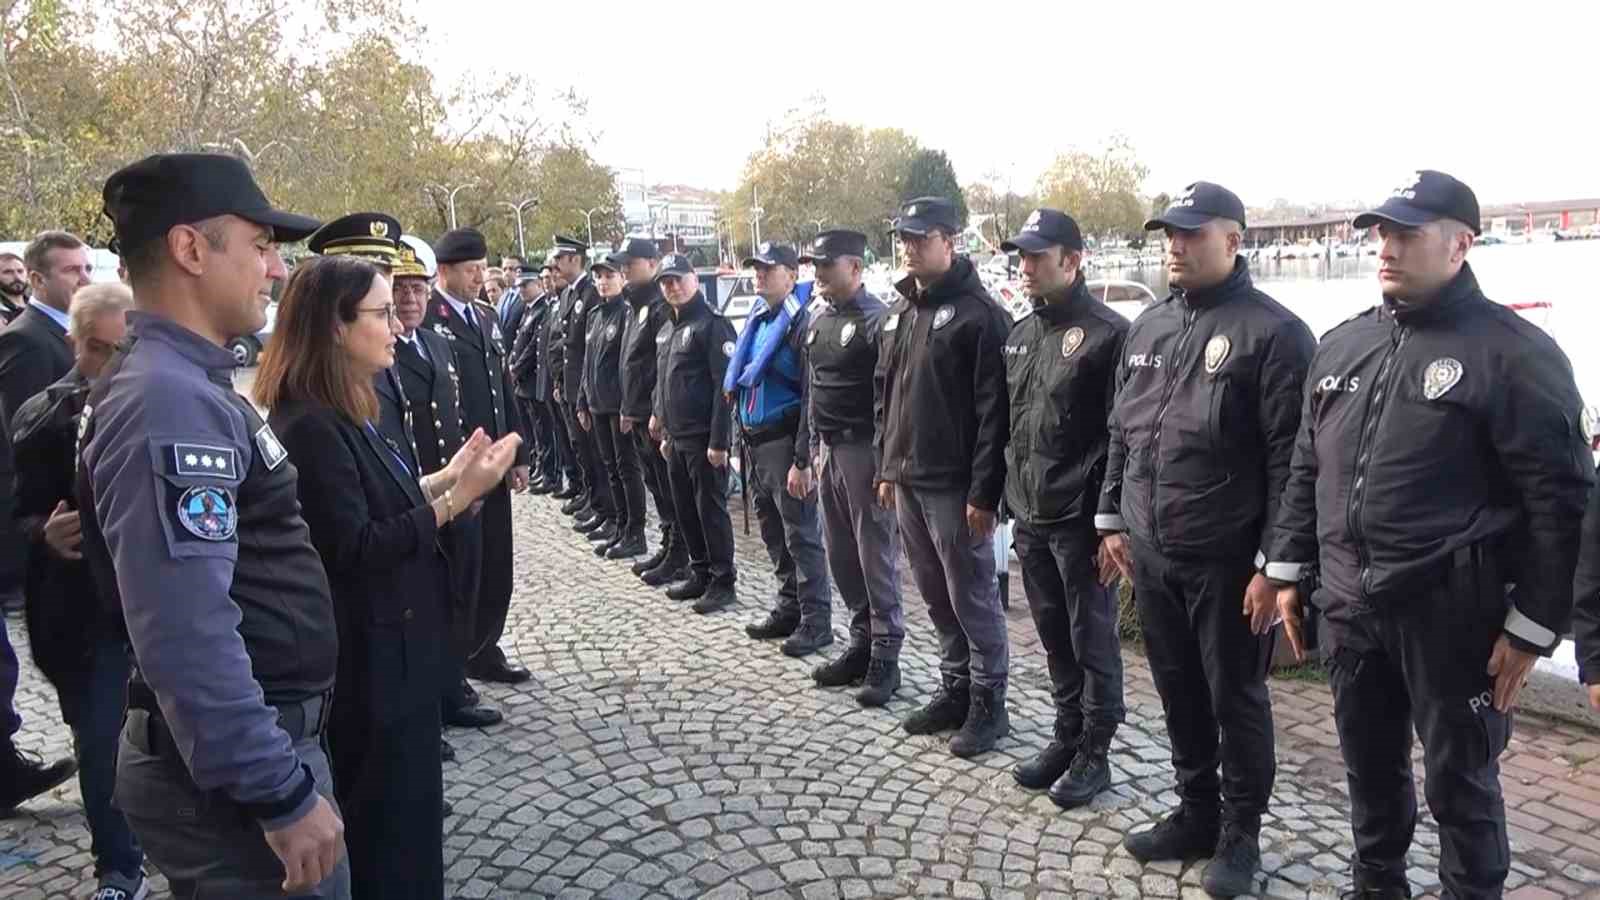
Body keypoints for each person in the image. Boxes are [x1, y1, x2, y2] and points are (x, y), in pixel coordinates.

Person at [1266, 170, 1592, 900]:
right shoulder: (1343, 345)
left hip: (1455, 618)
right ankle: (1375, 886)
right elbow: (1304, 463)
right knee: (1371, 778)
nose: (1386, 247)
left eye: (1407, 233)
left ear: (1460, 244)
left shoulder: (1515, 354)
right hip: (1351, 607)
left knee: (1462, 789)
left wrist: (1536, 623)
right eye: (1383, 232)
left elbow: (1563, 504)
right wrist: (1288, 564)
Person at [79, 152, 347, 897]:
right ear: (190, 249)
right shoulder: (168, 400)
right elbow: (184, 631)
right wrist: (279, 791)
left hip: (249, 755)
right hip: (236, 783)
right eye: (259, 246)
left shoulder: (186, 382)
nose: (274, 269)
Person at [258, 253, 518, 898]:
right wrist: (456, 501)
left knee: (412, 827)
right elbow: (353, 545)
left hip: (398, 658)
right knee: (391, 841)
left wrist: (447, 476)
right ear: (335, 328)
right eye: (380, 312)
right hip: (372, 669)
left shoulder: (344, 408)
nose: (396, 327)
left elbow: (380, 497)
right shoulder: (310, 422)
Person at [1097, 182, 1314, 897]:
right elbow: (1123, 432)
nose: (1175, 245)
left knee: (1234, 699)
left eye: (1192, 233)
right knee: (1177, 690)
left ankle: (1240, 834)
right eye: (1169, 233)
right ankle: (1195, 810)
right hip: (1153, 552)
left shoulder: (1275, 334)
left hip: (1227, 562)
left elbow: (1292, 462)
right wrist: (1111, 516)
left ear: (1235, 240)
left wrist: (1273, 566)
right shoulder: (1151, 327)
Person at [9, 282, 142, 898]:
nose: (108, 365)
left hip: (145, 615)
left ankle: (133, 856)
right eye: (97, 348)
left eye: (123, 350)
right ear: (74, 342)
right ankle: (119, 865)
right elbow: (13, 514)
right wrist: (41, 532)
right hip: (77, 618)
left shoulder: (157, 409)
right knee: (97, 743)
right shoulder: (40, 418)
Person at [997, 209, 1128, 808]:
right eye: (1020, 257)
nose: (1024, 268)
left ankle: (1095, 752)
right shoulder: (1022, 335)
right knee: (1054, 635)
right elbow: (1013, 425)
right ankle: (1066, 733)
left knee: (1091, 637)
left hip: (1079, 521)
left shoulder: (1108, 335)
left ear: (1071, 261)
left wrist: (1110, 522)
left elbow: (1122, 437)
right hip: (1032, 514)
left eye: (1036, 257)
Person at [876, 196, 1012, 758]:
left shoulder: (981, 315)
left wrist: (985, 493)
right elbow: (889, 395)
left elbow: (994, 414)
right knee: (934, 593)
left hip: (956, 485)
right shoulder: (906, 310)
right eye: (903, 237)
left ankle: (989, 700)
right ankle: (954, 685)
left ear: (950, 242)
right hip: (909, 477)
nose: (908, 246)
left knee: (972, 594)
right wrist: (888, 468)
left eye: (920, 237)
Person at [799, 230, 905, 706]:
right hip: (829, 450)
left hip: (864, 450)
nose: (819, 273)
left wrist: (885, 466)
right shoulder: (819, 320)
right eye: (816, 264)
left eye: (828, 264)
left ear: (855, 268)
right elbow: (812, 390)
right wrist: (808, 451)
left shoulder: (876, 320)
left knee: (874, 554)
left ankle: (886, 653)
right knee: (840, 552)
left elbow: (889, 400)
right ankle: (860, 639)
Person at [421, 228, 531, 686]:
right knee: (463, 567)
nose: (478, 278)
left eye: (481, 270)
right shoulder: (429, 318)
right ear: (444, 272)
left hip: (495, 466)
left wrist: (519, 450)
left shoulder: (485, 317)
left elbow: (502, 387)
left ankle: (486, 648)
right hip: (461, 470)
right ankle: (455, 664)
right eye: (470, 271)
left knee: (495, 565)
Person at [728, 242, 832, 656]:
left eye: (769, 269)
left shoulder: (800, 323)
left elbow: (811, 396)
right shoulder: (759, 319)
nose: (760, 275)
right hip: (755, 443)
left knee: (801, 536)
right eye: (756, 268)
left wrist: (802, 459)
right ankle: (788, 607)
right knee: (774, 533)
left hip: (786, 443)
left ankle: (816, 620)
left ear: (791, 275)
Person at [653, 253, 738, 613]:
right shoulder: (667, 326)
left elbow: (725, 387)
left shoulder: (712, 325)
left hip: (704, 438)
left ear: (694, 280)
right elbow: (663, 378)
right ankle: (700, 571)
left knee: (711, 511)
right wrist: (658, 416)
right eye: (666, 281)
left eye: (678, 279)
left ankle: (722, 580)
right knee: (685, 509)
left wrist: (720, 441)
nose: (672, 286)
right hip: (676, 436)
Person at [617, 240, 685, 585]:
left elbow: (660, 367)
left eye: (632, 262)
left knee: (669, 487)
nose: (625, 268)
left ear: (653, 263)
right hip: (639, 412)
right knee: (656, 485)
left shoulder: (659, 306)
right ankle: (669, 543)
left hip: (655, 415)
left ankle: (680, 552)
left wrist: (656, 411)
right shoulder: (635, 304)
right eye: (623, 263)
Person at [578, 252, 647, 558]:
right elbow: (587, 361)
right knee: (610, 467)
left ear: (621, 278)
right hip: (596, 403)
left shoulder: (627, 313)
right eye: (599, 277)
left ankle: (635, 531)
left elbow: (627, 365)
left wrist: (627, 407)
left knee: (627, 468)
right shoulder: (594, 315)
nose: (603, 282)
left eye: (609, 276)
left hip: (618, 405)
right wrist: (582, 398)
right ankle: (620, 526)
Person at [0, 231, 88, 424]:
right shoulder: (23, 340)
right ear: (38, 280)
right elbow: (24, 431)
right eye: (72, 270)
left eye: (87, 269)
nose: (85, 279)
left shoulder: (84, 328)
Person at [509, 267, 557, 492]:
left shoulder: (542, 309)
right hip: (524, 381)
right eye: (519, 286)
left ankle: (549, 473)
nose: (521, 290)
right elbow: (519, 342)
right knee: (535, 429)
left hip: (533, 378)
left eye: (525, 285)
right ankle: (540, 467)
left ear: (537, 284)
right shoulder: (528, 310)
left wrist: (516, 369)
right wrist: (511, 363)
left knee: (543, 429)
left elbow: (532, 347)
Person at [0, 251, 27, 324]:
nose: (17, 277)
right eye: (7, 272)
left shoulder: (37, 303)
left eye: (20, 271)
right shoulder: (2, 313)